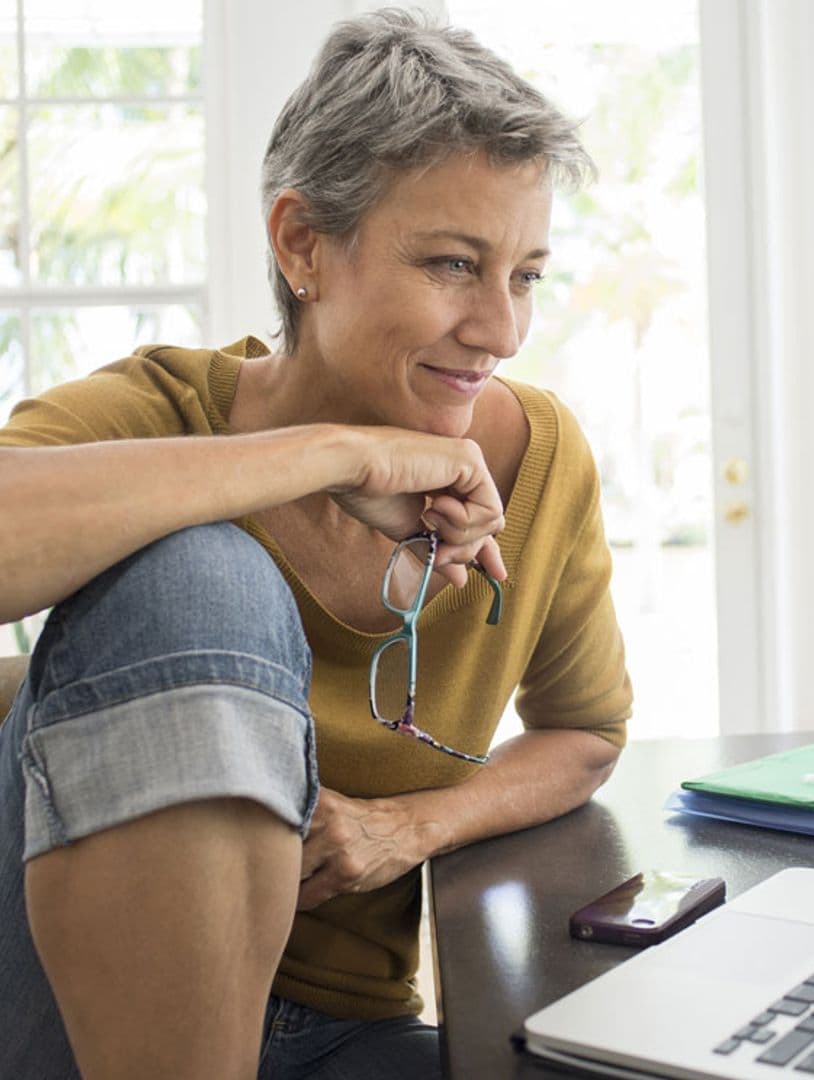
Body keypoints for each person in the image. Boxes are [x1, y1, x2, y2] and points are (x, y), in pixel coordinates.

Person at [0, 10, 632, 1080]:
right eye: (451, 263)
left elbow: (584, 733)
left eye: (524, 274)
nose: (502, 329)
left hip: (339, 1029)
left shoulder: (539, 457)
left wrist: (412, 825)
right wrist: (330, 455)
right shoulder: (156, 414)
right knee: (197, 567)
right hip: (67, 1013)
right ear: (302, 244)